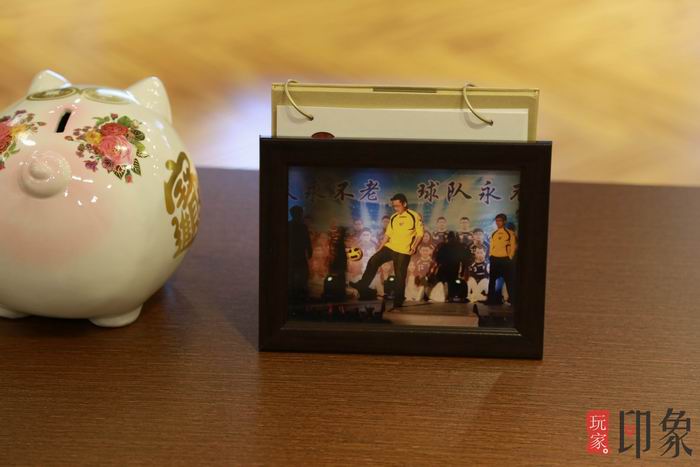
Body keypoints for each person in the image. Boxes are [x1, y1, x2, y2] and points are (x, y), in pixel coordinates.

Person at [349, 193, 424, 308]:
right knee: (373, 260)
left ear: (404, 204)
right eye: (394, 206)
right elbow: (388, 234)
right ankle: (363, 285)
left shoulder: (414, 216)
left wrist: (414, 246)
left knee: (400, 276)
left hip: (404, 251)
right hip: (391, 247)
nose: (395, 208)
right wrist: (380, 248)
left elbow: (420, 234)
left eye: (397, 206)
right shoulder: (394, 217)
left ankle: (398, 300)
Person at [485, 213, 517, 305]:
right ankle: (490, 300)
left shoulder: (510, 233)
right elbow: (492, 246)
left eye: (500, 221)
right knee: (492, 281)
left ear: (504, 221)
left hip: (505, 260)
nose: (498, 222)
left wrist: (510, 257)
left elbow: (513, 246)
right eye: (497, 221)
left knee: (509, 281)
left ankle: (513, 300)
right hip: (495, 259)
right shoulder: (494, 233)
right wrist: (491, 255)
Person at [288, 205, 312, 303]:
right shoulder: (301, 226)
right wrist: (309, 250)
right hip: (296, 253)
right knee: (300, 273)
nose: (300, 215)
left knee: (298, 273)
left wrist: (309, 250)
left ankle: (296, 292)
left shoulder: (292, 225)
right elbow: (307, 240)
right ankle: (297, 292)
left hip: (294, 253)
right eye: (300, 213)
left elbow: (307, 240)